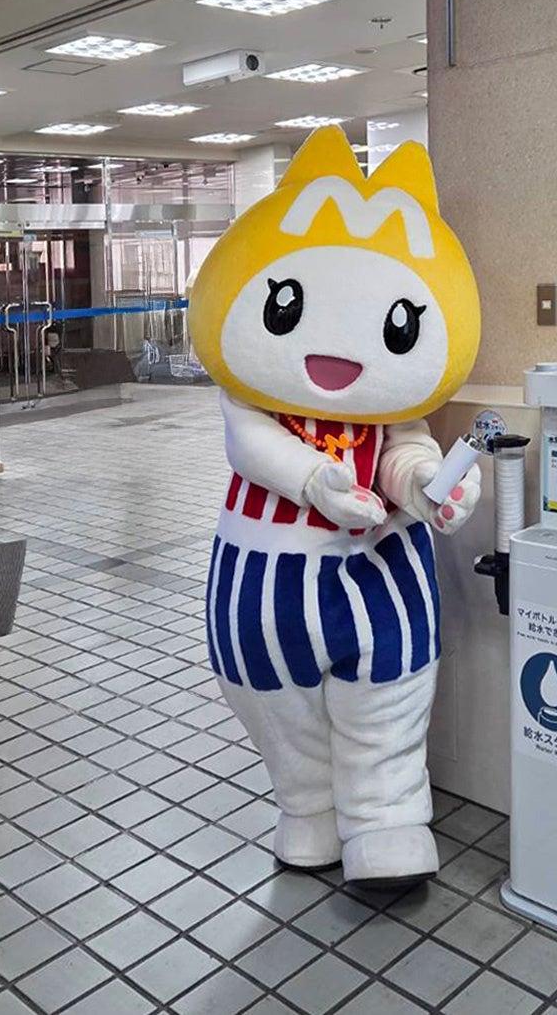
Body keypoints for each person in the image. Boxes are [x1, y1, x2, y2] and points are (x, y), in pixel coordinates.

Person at [186, 126, 482, 888]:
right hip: (263, 571)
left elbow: (405, 450)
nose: (340, 356)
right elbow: (251, 447)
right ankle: (307, 807)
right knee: (271, 696)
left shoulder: (391, 411)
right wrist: (316, 483)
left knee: (389, 693)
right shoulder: (249, 397)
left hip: (383, 569)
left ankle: (385, 820)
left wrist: (427, 486)